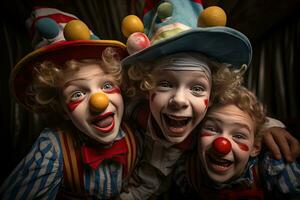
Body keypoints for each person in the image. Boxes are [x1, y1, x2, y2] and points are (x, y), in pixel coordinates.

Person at [119, 0, 300, 199]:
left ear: (213, 96)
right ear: (146, 89)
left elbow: (238, 114)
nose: (179, 100)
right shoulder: (131, 111)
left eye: (197, 88)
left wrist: (267, 127)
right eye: (165, 84)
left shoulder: (208, 122)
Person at [0, 7, 140, 200]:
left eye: (107, 85)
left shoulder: (136, 134)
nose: (99, 101)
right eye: (77, 94)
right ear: (62, 109)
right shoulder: (51, 150)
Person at [170, 80, 300, 199]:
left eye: (239, 136)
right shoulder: (186, 172)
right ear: (197, 135)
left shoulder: (274, 168)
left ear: (255, 147)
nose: (221, 145)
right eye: (212, 129)